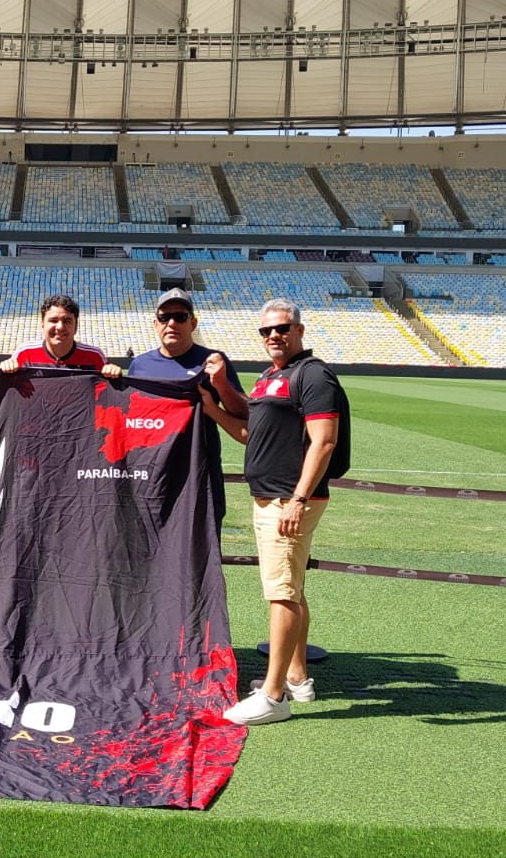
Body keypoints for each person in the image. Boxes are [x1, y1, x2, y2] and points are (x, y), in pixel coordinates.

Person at [204, 299, 343, 727]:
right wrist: (215, 408)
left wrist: (298, 499)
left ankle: (273, 694)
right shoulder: (270, 376)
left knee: (280, 594)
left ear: (299, 329)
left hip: (288, 499)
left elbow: (324, 441)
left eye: (281, 328)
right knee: (292, 588)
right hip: (273, 495)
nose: (273, 336)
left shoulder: (314, 374)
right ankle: (297, 677)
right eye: (265, 331)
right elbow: (252, 433)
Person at [122, 289, 248, 517]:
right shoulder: (140, 365)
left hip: (199, 474)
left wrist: (221, 384)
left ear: (193, 323)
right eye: (164, 317)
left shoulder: (213, 360)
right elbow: (132, 422)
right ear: (155, 324)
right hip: (152, 474)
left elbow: (243, 414)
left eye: (180, 317)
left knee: (200, 546)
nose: (171, 323)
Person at [0, 294, 109, 372]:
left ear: (76, 326)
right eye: (53, 321)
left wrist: (115, 376)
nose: (60, 327)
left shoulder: (95, 357)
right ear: (42, 324)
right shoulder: (24, 354)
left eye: (67, 321)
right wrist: (1, 371)